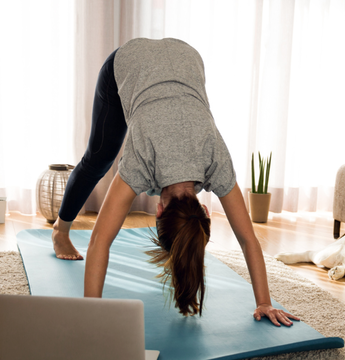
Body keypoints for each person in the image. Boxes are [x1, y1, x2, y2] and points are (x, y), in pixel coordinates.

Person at [51, 37, 296, 327]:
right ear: (158, 213)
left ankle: (61, 229)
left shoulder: (215, 159)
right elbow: (99, 242)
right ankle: (60, 230)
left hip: (185, 54)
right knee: (99, 159)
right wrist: (90, 317)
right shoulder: (143, 159)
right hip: (130, 61)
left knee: (109, 156)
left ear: (205, 211)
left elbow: (248, 240)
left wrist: (265, 301)